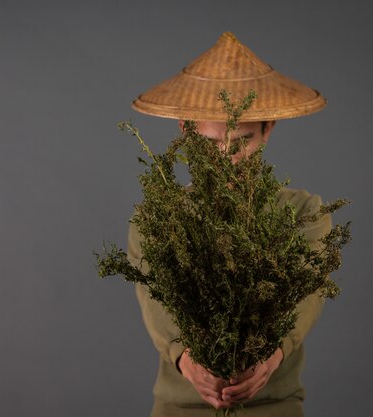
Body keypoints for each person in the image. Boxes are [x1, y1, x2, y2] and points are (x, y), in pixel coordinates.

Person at [126, 32, 332, 417]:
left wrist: (272, 356)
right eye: (211, 141)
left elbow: (309, 295)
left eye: (242, 140)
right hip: (180, 407)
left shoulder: (305, 213)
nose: (227, 157)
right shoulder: (158, 217)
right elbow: (155, 299)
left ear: (268, 127)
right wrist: (185, 359)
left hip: (273, 405)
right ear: (186, 130)